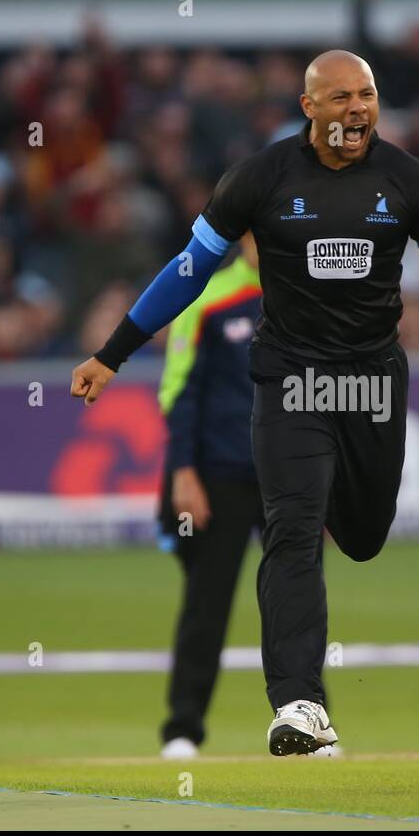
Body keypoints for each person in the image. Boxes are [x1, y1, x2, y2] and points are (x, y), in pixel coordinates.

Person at [72, 50, 419, 756]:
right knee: (294, 532)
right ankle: (299, 706)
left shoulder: (412, 181)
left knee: (365, 536)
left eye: (368, 96)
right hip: (290, 380)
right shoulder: (259, 180)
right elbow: (188, 271)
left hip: (373, 383)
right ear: (309, 106)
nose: (357, 109)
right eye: (342, 97)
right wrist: (113, 354)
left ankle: (304, 687)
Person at [156, 233, 264, 759]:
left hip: (289, 476)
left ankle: (312, 724)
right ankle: (183, 729)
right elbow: (179, 389)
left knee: (298, 602)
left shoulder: (310, 298)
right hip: (220, 474)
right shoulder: (208, 299)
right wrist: (183, 471)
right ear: (244, 236)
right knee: (207, 601)